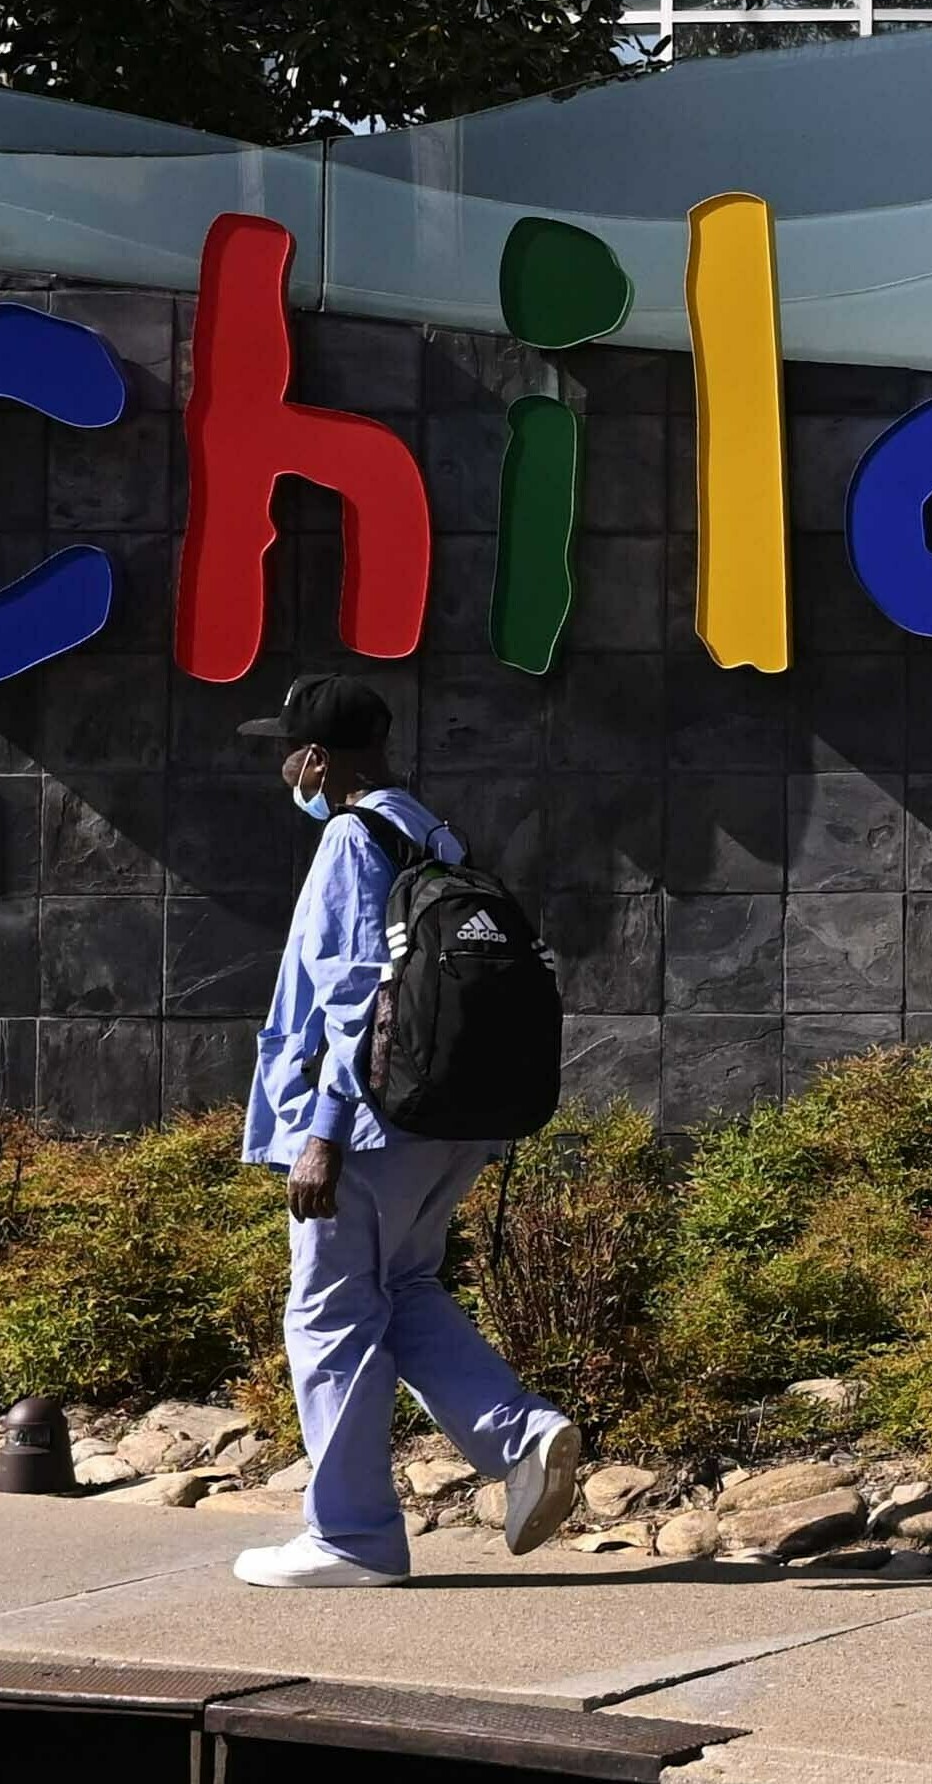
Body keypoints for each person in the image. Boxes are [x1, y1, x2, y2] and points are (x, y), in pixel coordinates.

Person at [231, 672, 589, 1590]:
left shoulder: (352, 838)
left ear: (315, 759)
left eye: (288, 750)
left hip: (370, 1124)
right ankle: (523, 1433)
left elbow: (353, 996)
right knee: (404, 1284)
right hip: (450, 1118)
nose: (285, 768)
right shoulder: (433, 832)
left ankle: (351, 1536)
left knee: (330, 1314)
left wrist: (321, 1129)